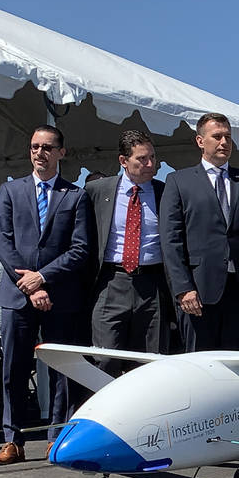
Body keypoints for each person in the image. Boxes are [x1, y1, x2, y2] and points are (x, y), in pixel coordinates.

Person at [0, 125, 92, 464]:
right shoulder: (10, 190)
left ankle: (56, 437)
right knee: (14, 369)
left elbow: (80, 250)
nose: (40, 153)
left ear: (61, 152)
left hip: (60, 297)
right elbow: (4, 244)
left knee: (60, 371)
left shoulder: (76, 196)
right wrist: (30, 285)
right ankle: (12, 440)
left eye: (47, 147)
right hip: (18, 296)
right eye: (35, 147)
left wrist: (43, 278)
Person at [160, 113, 239, 352]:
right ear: (200, 141)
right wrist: (183, 288)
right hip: (198, 291)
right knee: (199, 365)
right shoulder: (178, 181)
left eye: (228, 137)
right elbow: (171, 240)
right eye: (217, 136)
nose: (224, 142)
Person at [85, 131, 170, 374]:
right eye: (142, 159)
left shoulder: (165, 193)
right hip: (111, 282)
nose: (151, 164)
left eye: (153, 157)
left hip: (152, 284)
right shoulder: (97, 191)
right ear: (123, 161)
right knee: (105, 358)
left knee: (148, 362)